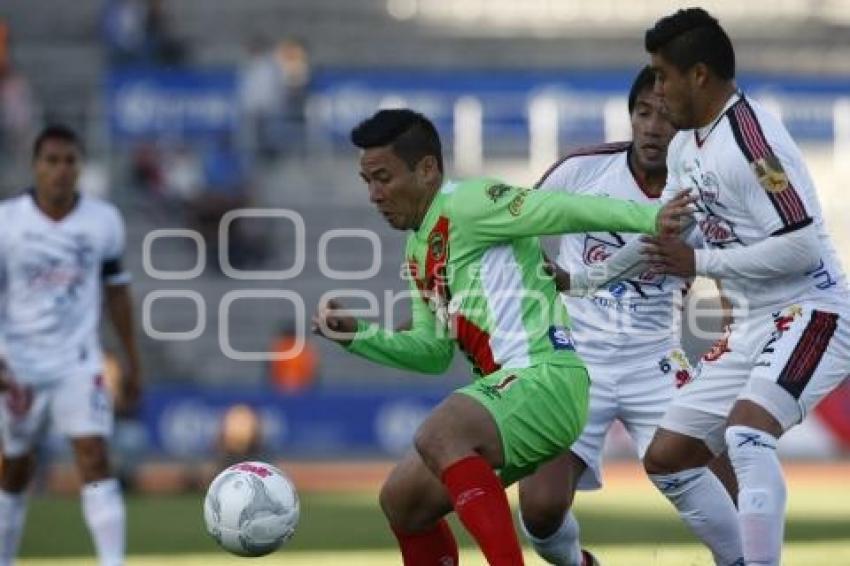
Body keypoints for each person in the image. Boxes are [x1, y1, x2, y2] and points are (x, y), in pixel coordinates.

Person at [312, 108, 693, 565]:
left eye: (383, 178)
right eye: (366, 181)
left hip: (546, 377)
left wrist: (650, 217)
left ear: (428, 169)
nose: (374, 195)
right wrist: (360, 336)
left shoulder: (469, 202)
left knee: (440, 431)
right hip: (508, 396)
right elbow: (432, 352)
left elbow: (558, 209)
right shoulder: (417, 253)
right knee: (402, 500)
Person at [632, 8, 850, 566]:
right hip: (752, 321)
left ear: (699, 75)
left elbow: (801, 245)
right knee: (669, 455)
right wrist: (664, 233)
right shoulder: (687, 147)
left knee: (748, 436)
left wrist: (698, 259)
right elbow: (684, 226)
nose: (657, 89)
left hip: (812, 308)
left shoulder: (752, 141)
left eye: (662, 74)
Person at [516, 65, 739, 566]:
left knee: (730, 490)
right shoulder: (581, 170)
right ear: (630, 116)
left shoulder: (708, 196)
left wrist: (734, 339)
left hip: (657, 362)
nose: (653, 127)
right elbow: (514, 227)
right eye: (643, 113)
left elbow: (735, 271)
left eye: (666, 116)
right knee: (540, 508)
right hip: (575, 363)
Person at [0, 125, 142, 566]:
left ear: (81, 167)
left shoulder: (103, 221)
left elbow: (117, 291)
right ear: (35, 166)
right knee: (14, 469)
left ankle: (112, 561)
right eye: (52, 161)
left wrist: (133, 361)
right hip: (18, 363)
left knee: (94, 456)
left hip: (78, 362)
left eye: (70, 161)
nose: (61, 170)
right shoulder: (7, 221)